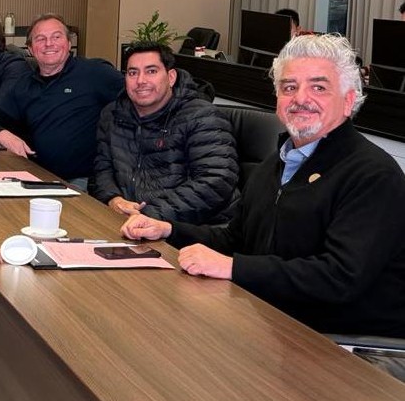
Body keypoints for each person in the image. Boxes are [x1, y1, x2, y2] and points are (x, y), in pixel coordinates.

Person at [121, 35, 405, 376]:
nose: (300, 98)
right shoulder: (277, 163)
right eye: (289, 87)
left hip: (343, 348)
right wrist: (169, 230)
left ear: (348, 101)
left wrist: (233, 268)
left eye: (318, 87)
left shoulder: (372, 174)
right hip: (270, 323)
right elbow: (237, 239)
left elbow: (339, 277)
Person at [92, 42, 239, 224]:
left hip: (192, 228)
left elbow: (215, 182)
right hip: (128, 221)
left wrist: (149, 215)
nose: (140, 80)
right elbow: (102, 168)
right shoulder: (113, 114)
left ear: (171, 77)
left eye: (151, 71)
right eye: (133, 73)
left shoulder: (202, 116)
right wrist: (113, 198)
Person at [0, 14, 124, 187]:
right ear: (30, 49)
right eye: (40, 39)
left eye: (56, 37)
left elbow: (138, 98)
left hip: (82, 181)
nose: (49, 44)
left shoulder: (95, 73)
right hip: (35, 176)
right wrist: (4, 135)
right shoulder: (25, 84)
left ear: (69, 43)